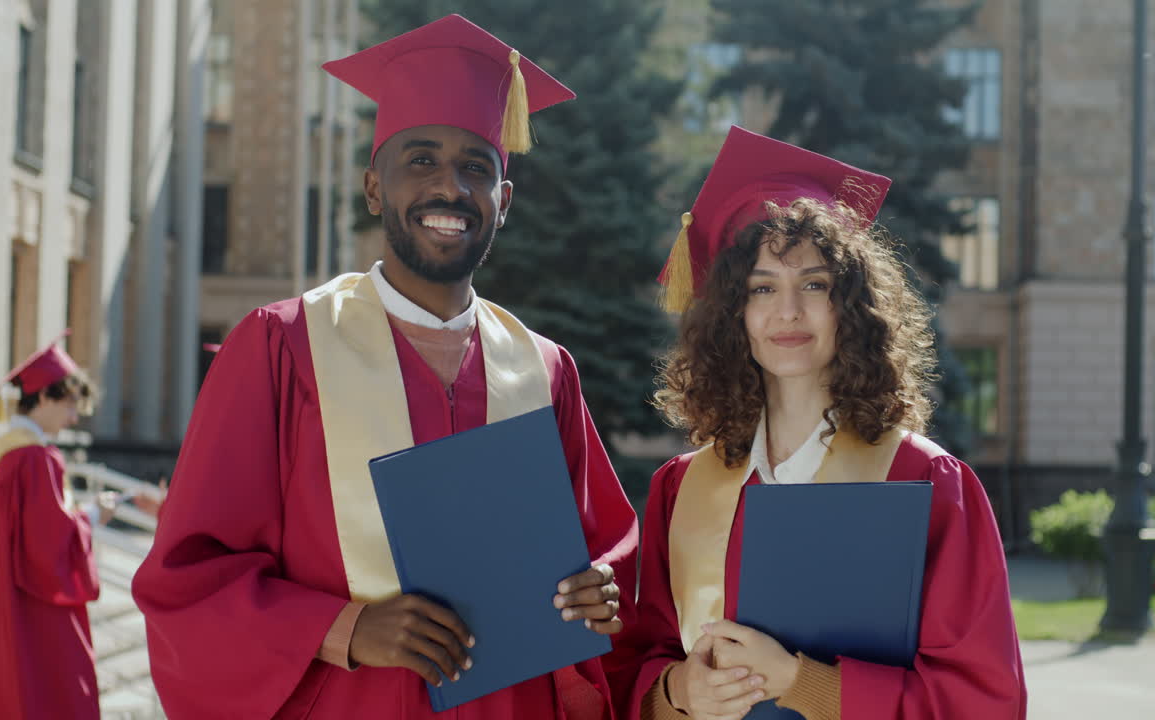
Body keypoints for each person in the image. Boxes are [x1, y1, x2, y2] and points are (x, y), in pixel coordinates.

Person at [131, 14, 638, 720]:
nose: (450, 188)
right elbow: (189, 575)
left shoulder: (545, 370)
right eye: (421, 160)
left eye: (475, 168)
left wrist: (601, 587)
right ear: (374, 188)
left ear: (504, 202)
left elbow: (606, 550)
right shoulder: (283, 345)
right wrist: (345, 628)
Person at [612, 126, 1026, 720]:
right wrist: (678, 692)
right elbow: (635, 666)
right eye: (761, 287)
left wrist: (802, 683)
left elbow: (983, 700)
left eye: (814, 284)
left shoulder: (924, 481)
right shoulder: (681, 490)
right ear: (734, 315)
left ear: (851, 306)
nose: (788, 311)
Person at [0, 337, 116, 719]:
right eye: (70, 403)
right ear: (45, 398)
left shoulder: (3, 453)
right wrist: (94, 516)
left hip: (6, 598)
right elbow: (50, 545)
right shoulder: (36, 458)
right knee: (52, 694)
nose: (73, 417)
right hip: (37, 606)